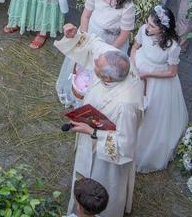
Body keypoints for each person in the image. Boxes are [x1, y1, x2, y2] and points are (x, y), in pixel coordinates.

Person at [56, 23, 142, 217]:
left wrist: (93, 132)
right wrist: (74, 34)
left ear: (108, 79)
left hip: (106, 160)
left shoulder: (126, 104)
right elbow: (94, 44)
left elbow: (125, 145)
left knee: (100, 185)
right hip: (92, 127)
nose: (93, 62)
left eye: (96, 66)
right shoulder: (113, 58)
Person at [132, 6, 186, 173]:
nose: (147, 27)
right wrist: (133, 66)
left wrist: (148, 74)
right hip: (138, 70)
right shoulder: (143, 30)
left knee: (151, 115)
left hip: (158, 82)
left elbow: (172, 72)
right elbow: (135, 48)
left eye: (152, 26)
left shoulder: (172, 47)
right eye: (147, 23)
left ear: (163, 28)